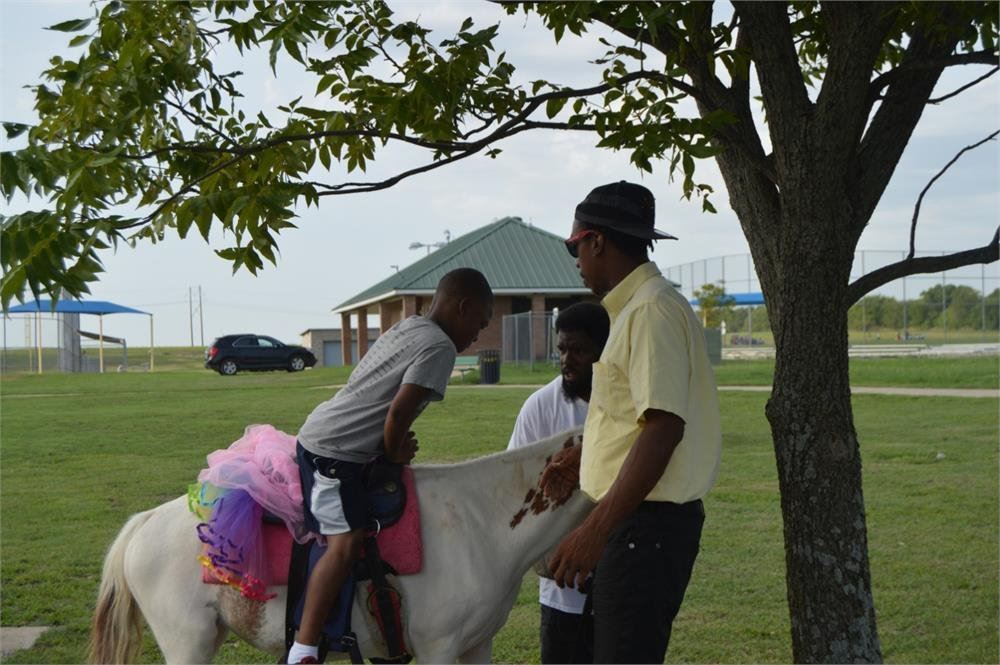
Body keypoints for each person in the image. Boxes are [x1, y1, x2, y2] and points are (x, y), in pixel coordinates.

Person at [542, 181, 722, 664]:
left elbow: (664, 428)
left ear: (596, 241)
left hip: (645, 530)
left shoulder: (650, 311)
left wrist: (595, 529)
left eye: (573, 246)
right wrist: (582, 458)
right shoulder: (633, 311)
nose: (575, 260)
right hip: (639, 525)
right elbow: (636, 418)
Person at [287, 268, 494, 665]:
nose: (479, 335)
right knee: (345, 544)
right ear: (463, 307)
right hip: (334, 451)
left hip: (334, 435)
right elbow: (399, 413)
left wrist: (390, 446)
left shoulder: (410, 326)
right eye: (481, 323)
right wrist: (395, 451)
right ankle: (305, 647)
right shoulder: (441, 348)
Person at [505, 302, 610, 664]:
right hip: (561, 586)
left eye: (579, 350)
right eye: (562, 349)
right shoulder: (540, 407)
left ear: (604, 350)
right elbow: (515, 484)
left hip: (620, 574)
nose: (567, 359)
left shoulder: (623, 404)